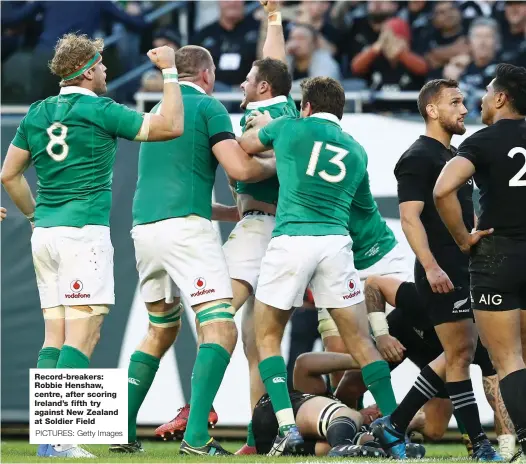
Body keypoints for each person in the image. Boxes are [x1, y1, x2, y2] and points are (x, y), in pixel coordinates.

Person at [0, 34, 184, 458]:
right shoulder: (101, 109)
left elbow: (10, 175)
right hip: (82, 234)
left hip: (45, 234)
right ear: (85, 71)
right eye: (101, 65)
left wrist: (33, 217)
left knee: (55, 336)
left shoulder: (37, 111)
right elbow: (171, 126)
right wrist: (170, 72)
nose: (107, 72)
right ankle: (60, 439)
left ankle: (48, 438)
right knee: (84, 335)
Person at [110, 44, 276, 457]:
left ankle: (123, 431)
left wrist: (230, 214)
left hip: (145, 229)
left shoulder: (158, 112)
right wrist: (280, 165)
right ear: (206, 74)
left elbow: (179, 184)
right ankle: (197, 436)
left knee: (161, 329)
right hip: (186, 231)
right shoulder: (208, 107)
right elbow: (239, 169)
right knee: (221, 328)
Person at [154, 1, 298, 455]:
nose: (241, 83)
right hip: (280, 229)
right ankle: (259, 438)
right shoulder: (284, 107)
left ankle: (199, 409)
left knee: (215, 314)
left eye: (249, 80)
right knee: (260, 344)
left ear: (264, 87)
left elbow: (271, 67)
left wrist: (250, 158)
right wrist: (272, 18)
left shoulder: (264, 115)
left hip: (260, 230)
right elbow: (274, 64)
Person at [239, 76, 400, 457]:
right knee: (362, 343)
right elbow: (361, 210)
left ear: (306, 105)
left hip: (292, 239)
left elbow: (245, 146)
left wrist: (263, 128)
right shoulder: (357, 150)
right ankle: (395, 433)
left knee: (266, 338)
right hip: (335, 244)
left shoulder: (291, 126)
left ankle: (287, 428)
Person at [371, 78, 502, 461]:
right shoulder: (417, 157)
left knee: (457, 353)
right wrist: (430, 267)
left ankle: (393, 424)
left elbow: (466, 212)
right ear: (432, 110)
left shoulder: (454, 155)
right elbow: (410, 218)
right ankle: (479, 446)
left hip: (464, 267)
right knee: (460, 355)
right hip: (440, 270)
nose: (464, 109)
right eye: (455, 102)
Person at [313, 274, 515, 459]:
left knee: (435, 429)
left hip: (439, 358)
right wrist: (382, 334)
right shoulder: (422, 299)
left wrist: (507, 447)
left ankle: (392, 423)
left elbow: (496, 395)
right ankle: (345, 435)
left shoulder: (478, 337)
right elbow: (374, 282)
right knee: (351, 384)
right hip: (399, 337)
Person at [434, 63, 526, 462]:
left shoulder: (484, 141)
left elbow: (443, 189)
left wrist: (462, 238)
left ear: (501, 98)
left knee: (508, 360)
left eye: (487, 93)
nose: (481, 100)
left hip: (497, 256)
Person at [251, 390, 386, 458]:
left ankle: (343, 445)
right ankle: (341, 445)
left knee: (360, 441)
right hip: (274, 411)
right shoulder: (332, 398)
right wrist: (358, 359)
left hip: (269, 445)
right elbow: (304, 364)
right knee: (350, 416)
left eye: (381, 417)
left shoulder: (361, 429)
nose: (377, 415)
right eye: (378, 408)